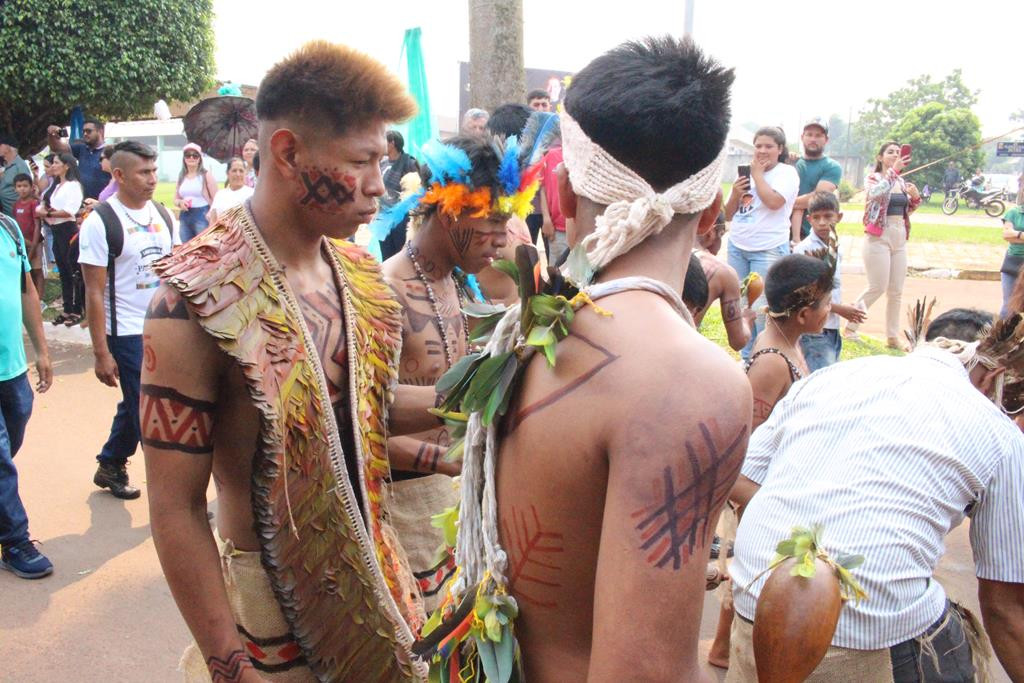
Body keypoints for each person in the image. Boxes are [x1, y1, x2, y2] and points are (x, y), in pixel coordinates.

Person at [432, 36, 751, 681]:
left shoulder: (532, 326)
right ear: (713, 210)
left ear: (562, 198)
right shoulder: (688, 381)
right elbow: (645, 670)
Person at [142, 41, 442, 681]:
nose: (377, 188)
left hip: (381, 574)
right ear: (287, 152)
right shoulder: (195, 300)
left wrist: (490, 397)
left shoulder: (359, 274)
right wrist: (232, 667)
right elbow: (176, 508)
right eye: (361, 162)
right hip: (271, 615)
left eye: (381, 163)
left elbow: (364, 413)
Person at [727, 311, 1024, 682]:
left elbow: (739, 475)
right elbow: (1004, 605)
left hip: (754, 600)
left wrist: (797, 526)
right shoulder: (1000, 433)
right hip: (863, 635)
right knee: (950, 638)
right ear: (992, 376)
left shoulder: (829, 378)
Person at [380, 134, 518, 611]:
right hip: (402, 516)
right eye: (495, 223)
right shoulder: (384, 292)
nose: (503, 240)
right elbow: (351, 428)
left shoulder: (456, 282)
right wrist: (448, 463)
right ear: (451, 211)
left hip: (451, 509)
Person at [78, 141, 178, 501]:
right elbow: (93, 292)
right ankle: (174, 494)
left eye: (154, 171)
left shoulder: (164, 216)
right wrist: (101, 353)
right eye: (144, 172)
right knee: (148, 409)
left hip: (164, 328)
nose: (153, 179)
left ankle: (111, 462)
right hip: (127, 334)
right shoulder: (101, 222)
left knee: (139, 403)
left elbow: (174, 275)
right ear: (118, 175)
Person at [0, 210, 53, 579]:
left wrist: (42, 351)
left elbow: (26, 289)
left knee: (14, 432)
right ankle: (15, 540)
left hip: (12, 368)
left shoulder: (8, 227)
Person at [724, 126, 800, 360]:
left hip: (767, 249)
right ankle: (748, 360)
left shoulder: (786, 173)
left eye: (768, 146)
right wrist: (736, 193)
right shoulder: (744, 174)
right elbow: (727, 214)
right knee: (741, 307)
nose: (762, 151)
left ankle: (765, 359)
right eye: (758, 146)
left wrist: (758, 176)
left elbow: (775, 202)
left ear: (780, 149)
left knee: (761, 310)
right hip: (738, 246)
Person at [844, 141, 920, 349]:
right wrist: (893, 172)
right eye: (890, 152)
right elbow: (876, 194)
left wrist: (915, 198)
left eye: (898, 152)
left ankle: (892, 337)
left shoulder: (902, 182)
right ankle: (851, 328)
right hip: (878, 237)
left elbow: (905, 211)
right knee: (877, 286)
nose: (895, 155)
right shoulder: (874, 178)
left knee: (896, 290)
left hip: (899, 237)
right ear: (880, 157)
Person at [793, 192, 866, 370]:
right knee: (821, 377)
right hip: (815, 329)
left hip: (831, 327)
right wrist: (840, 309)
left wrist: (840, 306)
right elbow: (806, 294)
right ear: (809, 219)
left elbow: (826, 288)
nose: (822, 222)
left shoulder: (833, 246)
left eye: (828, 216)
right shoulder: (806, 250)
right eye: (816, 217)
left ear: (839, 217)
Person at [692, 215, 754, 351]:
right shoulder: (723, 272)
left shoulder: (655, 252)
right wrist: (747, 320)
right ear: (711, 233)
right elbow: (738, 341)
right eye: (721, 235)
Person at [36, 152, 84, 326]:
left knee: (73, 270)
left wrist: (47, 212)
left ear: (67, 166)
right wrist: (45, 212)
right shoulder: (56, 186)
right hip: (55, 229)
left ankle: (77, 309)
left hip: (67, 229)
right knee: (63, 271)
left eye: (56, 163)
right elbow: (45, 202)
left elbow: (69, 211)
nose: (53, 166)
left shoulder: (73, 186)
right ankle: (67, 308)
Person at [789, 118, 842, 242]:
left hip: (814, 236)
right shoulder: (791, 163)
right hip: (780, 235)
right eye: (809, 134)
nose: (813, 139)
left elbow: (817, 198)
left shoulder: (832, 167)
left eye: (818, 135)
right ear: (802, 137)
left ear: (826, 139)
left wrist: (779, 203)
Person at [378, 130, 420, 261]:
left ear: (392, 143)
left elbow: (417, 189)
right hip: (383, 217)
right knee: (386, 256)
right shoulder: (382, 163)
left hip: (400, 219)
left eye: (384, 140)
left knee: (399, 256)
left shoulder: (409, 163)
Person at [47, 117, 111, 200]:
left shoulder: (109, 153)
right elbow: (58, 148)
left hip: (100, 203)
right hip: (81, 202)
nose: (85, 134)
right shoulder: (82, 148)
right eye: (83, 131)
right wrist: (51, 134)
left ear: (100, 131)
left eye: (89, 131)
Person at [173, 143, 218, 242]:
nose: (191, 158)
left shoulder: (206, 175)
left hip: (202, 214)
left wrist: (212, 218)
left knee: (202, 248)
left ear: (200, 159)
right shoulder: (181, 176)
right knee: (185, 249)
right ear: (184, 159)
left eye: (195, 155)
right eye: (188, 155)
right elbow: (175, 199)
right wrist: (180, 203)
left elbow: (217, 199)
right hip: (185, 216)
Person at [11, 175, 44, 301]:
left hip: (35, 242)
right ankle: (28, 297)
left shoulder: (34, 203)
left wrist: (34, 245)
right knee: (25, 271)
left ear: (31, 187)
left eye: (25, 186)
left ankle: (39, 299)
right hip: (22, 243)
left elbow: (37, 226)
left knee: (37, 270)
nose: (22, 189)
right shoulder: (16, 205)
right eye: (19, 186)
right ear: (15, 189)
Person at [206, 157, 254, 226]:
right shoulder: (220, 194)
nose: (238, 174)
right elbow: (213, 220)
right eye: (234, 171)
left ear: (245, 173)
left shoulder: (252, 194)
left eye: (241, 171)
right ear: (227, 173)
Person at [1000, 200, 1024, 317]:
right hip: (1013, 263)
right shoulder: (1013, 213)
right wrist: (1021, 235)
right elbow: (1006, 235)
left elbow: (1011, 235)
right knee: (1008, 306)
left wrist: (1016, 234)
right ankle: (1002, 335)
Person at [0, 133, 32, 217]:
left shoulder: (20, 165)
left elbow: (28, 189)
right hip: (6, 212)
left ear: (7, 147)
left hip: (17, 214)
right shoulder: (6, 165)